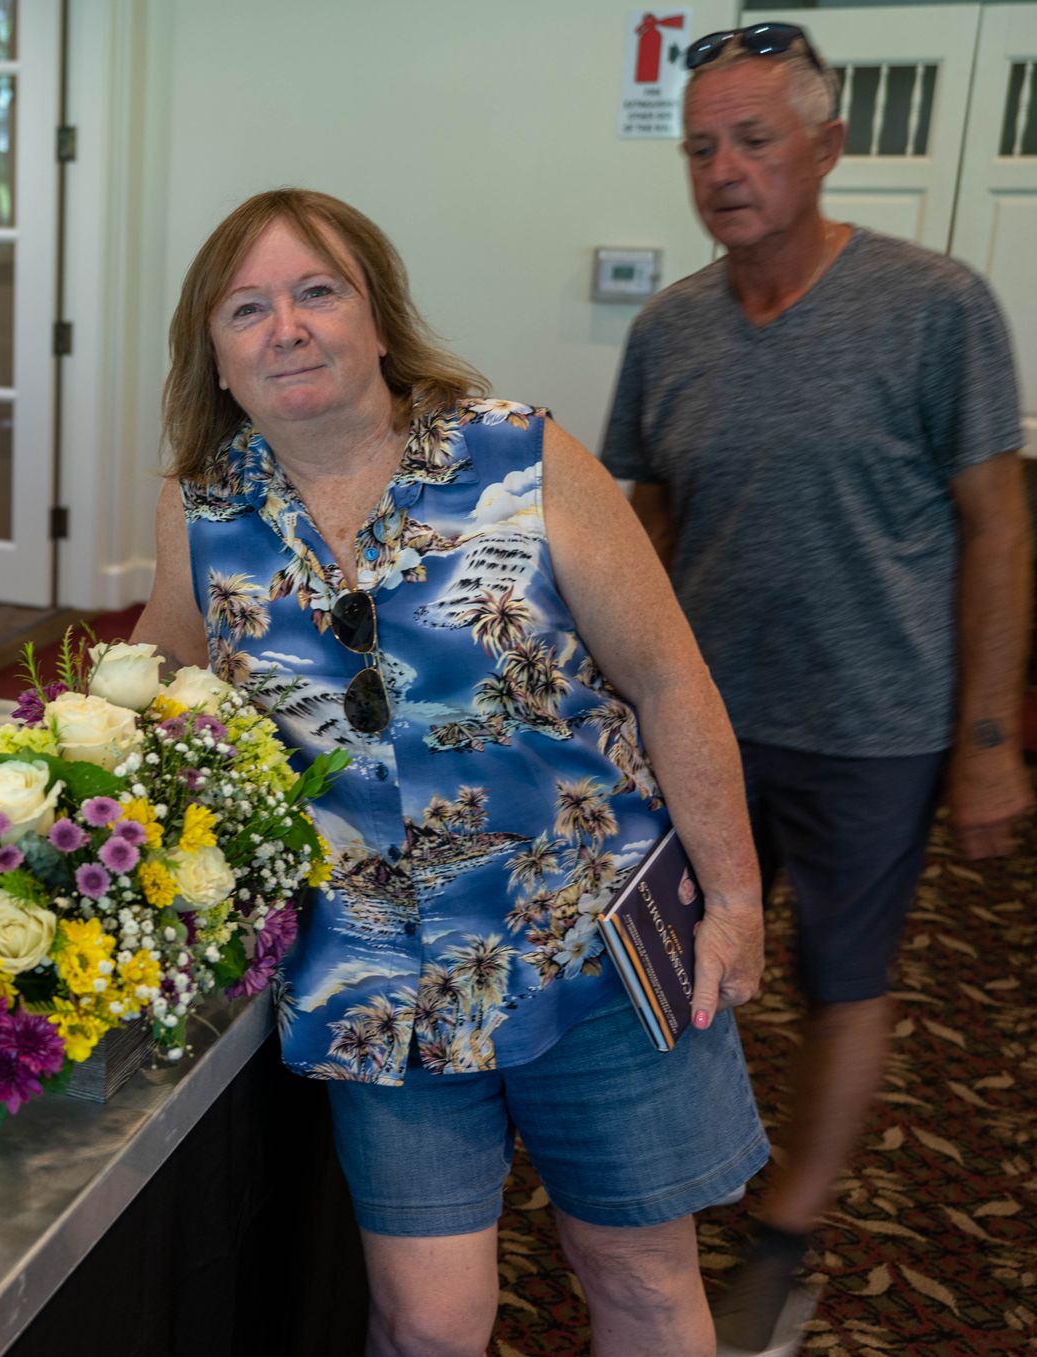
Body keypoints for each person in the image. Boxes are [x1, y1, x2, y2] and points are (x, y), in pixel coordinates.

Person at [133, 188, 768, 1356]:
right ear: (216, 360)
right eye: (247, 309)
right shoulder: (204, 511)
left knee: (633, 1271)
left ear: (378, 319)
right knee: (429, 1319)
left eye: (318, 291)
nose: (288, 328)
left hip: (589, 933)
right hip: (375, 970)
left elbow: (672, 680)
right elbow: (158, 711)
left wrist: (731, 897)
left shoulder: (520, 457)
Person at [600, 23, 1031, 1353]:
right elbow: (645, 531)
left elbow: (999, 529)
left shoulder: (937, 304)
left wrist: (988, 743)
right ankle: (672, 1183)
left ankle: (786, 1237)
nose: (724, 171)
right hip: (703, 727)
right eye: (702, 148)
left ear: (829, 148)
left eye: (755, 141)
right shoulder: (670, 328)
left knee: (846, 980)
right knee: (675, 967)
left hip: (873, 730)